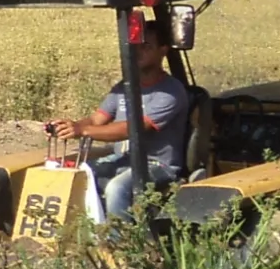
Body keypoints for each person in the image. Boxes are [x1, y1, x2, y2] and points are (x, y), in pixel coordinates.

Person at [46, 23, 191, 220]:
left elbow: (134, 129)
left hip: (158, 165)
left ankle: (121, 246)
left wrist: (83, 130)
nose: (139, 52)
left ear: (163, 50)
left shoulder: (171, 91)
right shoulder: (123, 87)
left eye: (146, 46)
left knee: (116, 188)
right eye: (136, 46)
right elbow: (97, 119)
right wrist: (68, 125)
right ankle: (82, 237)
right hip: (125, 159)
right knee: (79, 174)